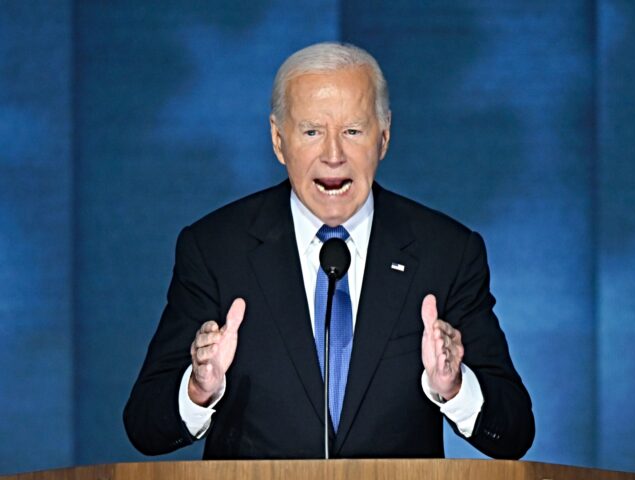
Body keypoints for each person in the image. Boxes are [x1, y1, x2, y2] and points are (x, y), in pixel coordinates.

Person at [123, 42, 534, 459]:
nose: (333, 155)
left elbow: (514, 430)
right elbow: (145, 424)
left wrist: (455, 387)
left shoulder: (445, 252)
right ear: (279, 141)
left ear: (384, 137)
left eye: (353, 131)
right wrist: (199, 389)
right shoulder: (215, 248)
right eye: (311, 132)